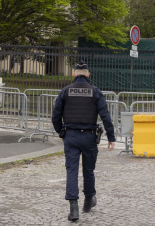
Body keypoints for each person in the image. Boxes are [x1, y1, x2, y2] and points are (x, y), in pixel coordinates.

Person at [52, 60, 115, 222]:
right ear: (88, 74)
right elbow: (105, 115)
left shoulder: (66, 91)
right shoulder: (95, 91)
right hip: (89, 136)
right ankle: (88, 201)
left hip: (71, 136)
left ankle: (74, 210)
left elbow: (55, 115)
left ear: (74, 74)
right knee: (88, 170)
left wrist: (61, 132)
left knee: (71, 170)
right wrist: (111, 136)